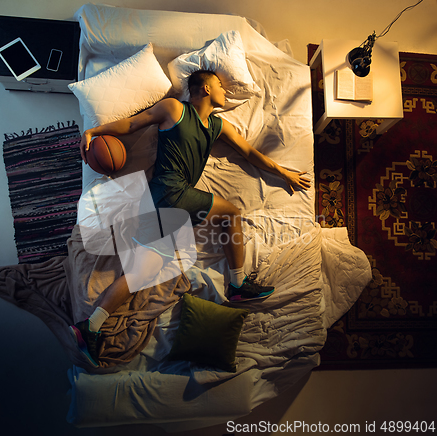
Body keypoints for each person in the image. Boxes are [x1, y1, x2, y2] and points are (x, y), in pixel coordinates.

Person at [70, 70, 311, 366]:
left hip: (161, 202)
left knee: (142, 272)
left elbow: (249, 152)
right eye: (221, 86)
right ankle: (237, 285)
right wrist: (94, 132)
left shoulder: (218, 126)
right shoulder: (174, 108)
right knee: (231, 214)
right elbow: (133, 123)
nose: (226, 90)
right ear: (206, 88)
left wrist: (283, 172)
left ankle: (90, 326)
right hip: (171, 191)